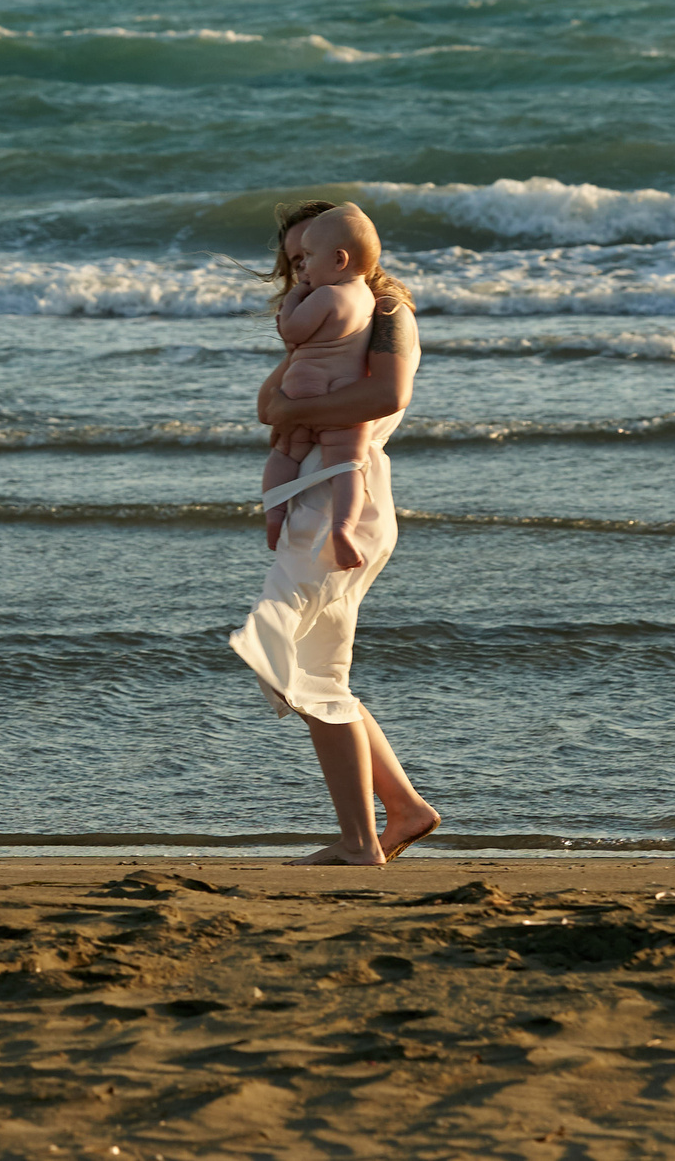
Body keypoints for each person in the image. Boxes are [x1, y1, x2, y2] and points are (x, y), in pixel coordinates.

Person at [228, 199, 441, 867]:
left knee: (303, 665)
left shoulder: (385, 314)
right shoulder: (324, 330)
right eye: (290, 265)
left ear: (340, 251)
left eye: (306, 259)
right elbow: (269, 403)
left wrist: (299, 410)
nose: (298, 277)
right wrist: (293, 408)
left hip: (348, 498)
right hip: (314, 495)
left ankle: (359, 840)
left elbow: (388, 397)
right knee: (309, 667)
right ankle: (401, 809)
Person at [259, 207, 378, 557]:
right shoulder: (371, 301)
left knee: (285, 453)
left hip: (303, 388)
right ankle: (343, 530)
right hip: (343, 398)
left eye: (308, 257)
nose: (304, 269)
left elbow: (293, 332)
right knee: (347, 466)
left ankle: (274, 515)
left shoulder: (324, 296)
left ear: (339, 260)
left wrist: (294, 298)